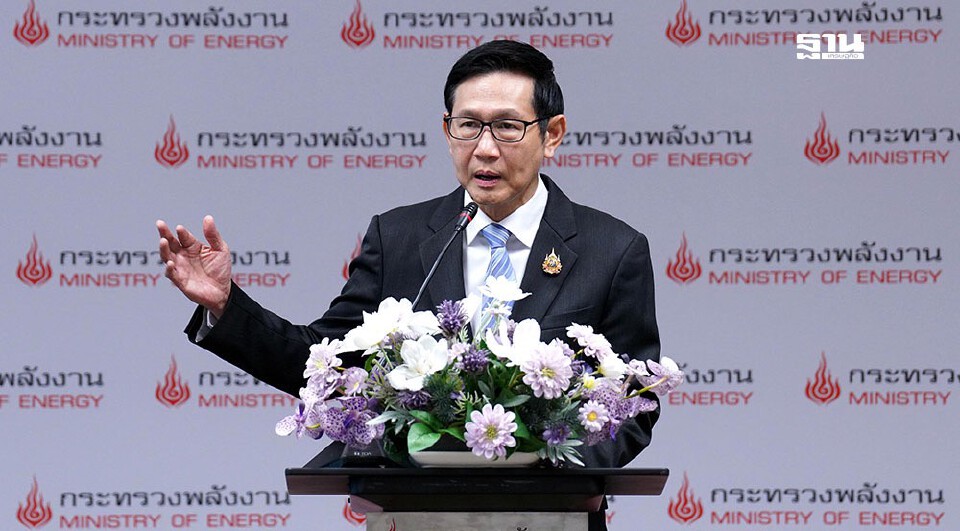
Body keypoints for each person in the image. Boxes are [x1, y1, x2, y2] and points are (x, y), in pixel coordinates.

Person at [158, 40, 660, 530]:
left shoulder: (613, 250)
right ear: (447, 130)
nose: (485, 149)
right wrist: (226, 305)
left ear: (552, 135)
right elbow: (325, 365)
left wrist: (548, 467)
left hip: (551, 517)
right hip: (416, 513)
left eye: (508, 127)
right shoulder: (399, 237)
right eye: (468, 126)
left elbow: (635, 402)